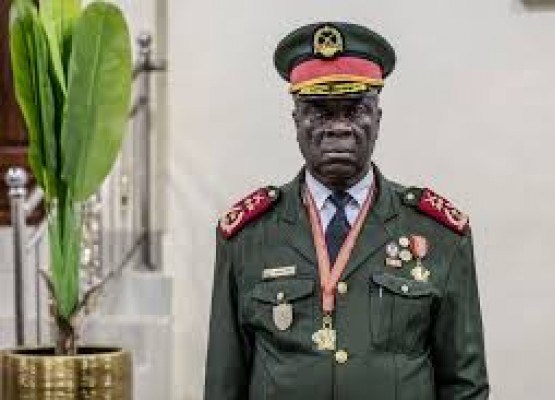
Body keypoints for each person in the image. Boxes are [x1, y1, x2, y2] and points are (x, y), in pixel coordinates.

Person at [204, 22, 489, 400]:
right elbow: (224, 383)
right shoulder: (248, 236)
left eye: (355, 110)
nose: (338, 128)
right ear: (295, 121)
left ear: (378, 119)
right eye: (319, 112)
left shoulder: (439, 235)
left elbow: (465, 385)